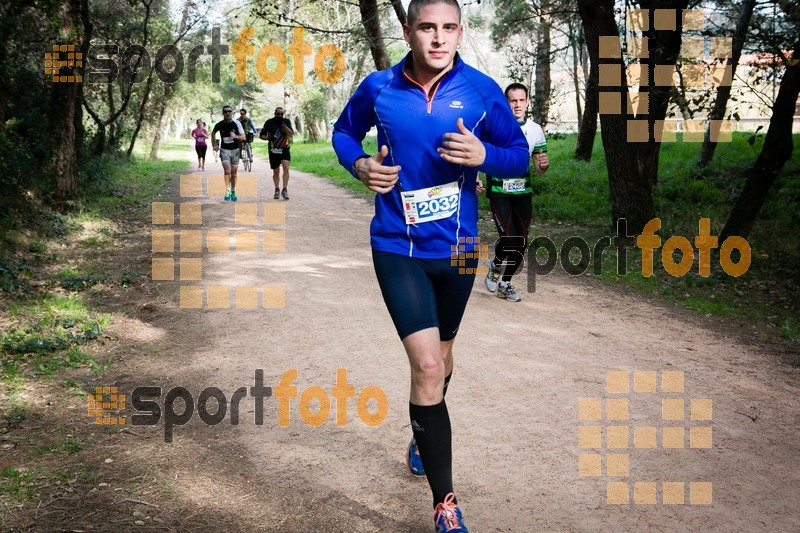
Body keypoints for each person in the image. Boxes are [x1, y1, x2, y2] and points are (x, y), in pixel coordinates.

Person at [332, 1, 528, 531]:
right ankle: (446, 504)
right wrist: (361, 165)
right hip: (398, 244)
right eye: (427, 28)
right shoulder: (379, 87)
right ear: (408, 31)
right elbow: (343, 133)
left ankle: (423, 431)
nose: (438, 39)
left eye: (448, 29)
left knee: (442, 358)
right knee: (427, 366)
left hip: (461, 249)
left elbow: (520, 155)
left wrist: (485, 156)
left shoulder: (483, 91)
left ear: (460, 32)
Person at [482, 82, 549, 302]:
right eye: (513, 100)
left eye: (521, 100)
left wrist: (543, 164)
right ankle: (494, 266)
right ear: (506, 102)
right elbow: (481, 154)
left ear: (527, 101)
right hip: (499, 190)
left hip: (523, 193)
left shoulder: (535, 130)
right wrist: (475, 177)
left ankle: (505, 282)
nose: (517, 105)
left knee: (521, 240)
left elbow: (539, 169)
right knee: (510, 238)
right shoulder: (494, 127)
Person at [211, 105, 245, 201]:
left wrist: (236, 137)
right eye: (225, 111)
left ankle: (233, 191)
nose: (227, 113)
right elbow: (213, 133)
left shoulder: (237, 123)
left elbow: (244, 137)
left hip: (235, 151)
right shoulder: (219, 124)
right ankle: (227, 189)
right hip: (224, 150)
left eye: (229, 111)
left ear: (232, 112)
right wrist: (214, 144)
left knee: (234, 173)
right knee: (227, 171)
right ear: (223, 113)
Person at [260, 107, 294, 200]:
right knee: (276, 172)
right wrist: (269, 138)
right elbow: (261, 135)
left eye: (281, 114)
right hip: (273, 149)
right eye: (277, 114)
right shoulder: (269, 122)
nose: (279, 115)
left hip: (284, 149)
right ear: (274, 113)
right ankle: (277, 189)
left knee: (286, 168)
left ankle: (285, 190)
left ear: (283, 114)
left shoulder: (286, 122)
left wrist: (285, 127)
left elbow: (291, 134)